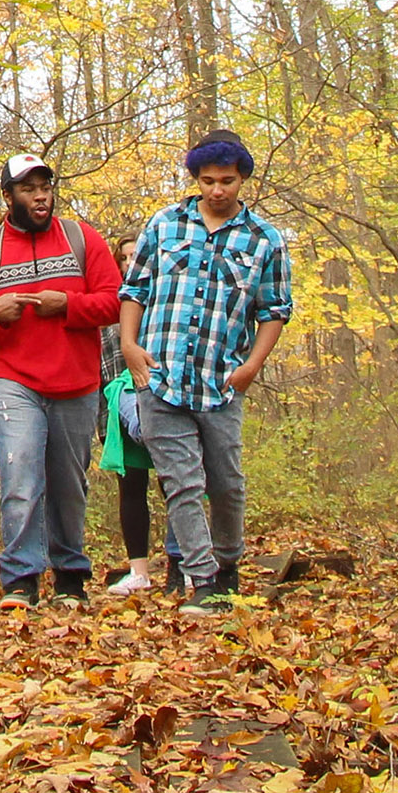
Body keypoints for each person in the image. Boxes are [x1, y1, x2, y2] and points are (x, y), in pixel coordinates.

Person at [119, 129, 292, 614]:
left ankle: (228, 564)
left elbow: (275, 308)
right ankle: (204, 582)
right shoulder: (165, 225)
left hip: (221, 380)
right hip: (162, 376)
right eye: (209, 180)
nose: (218, 190)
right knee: (181, 482)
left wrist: (253, 365)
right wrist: (131, 348)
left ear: (242, 181)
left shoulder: (264, 240)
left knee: (226, 482)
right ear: (196, 179)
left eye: (228, 181)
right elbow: (134, 290)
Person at [0, 152, 122, 611]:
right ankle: (21, 580)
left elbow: (114, 302)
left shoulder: (81, 239)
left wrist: (66, 306)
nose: (40, 196)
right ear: (9, 196)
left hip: (76, 381)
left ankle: (70, 576)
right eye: (28, 189)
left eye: (45, 186)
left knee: (69, 482)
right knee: (20, 475)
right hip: (13, 380)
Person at [97, 235, 169, 595]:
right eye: (122, 257)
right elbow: (98, 364)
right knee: (131, 486)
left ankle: (183, 564)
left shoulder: (162, 302)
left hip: (160, 399)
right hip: (118, 402)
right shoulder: (108, 305)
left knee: (174, 481)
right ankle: (138, 570)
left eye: (134, 256)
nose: (128, 262)